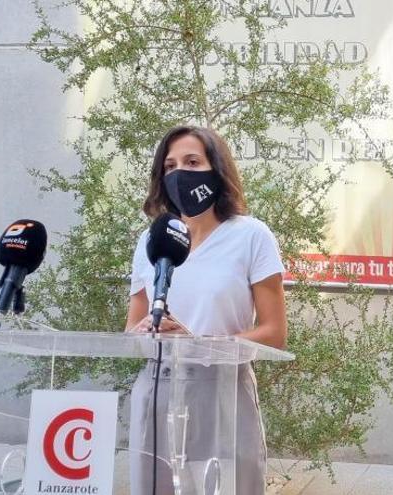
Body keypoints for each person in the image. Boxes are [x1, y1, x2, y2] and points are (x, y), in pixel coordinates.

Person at [125, 125, 287, 495]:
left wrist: (197, 343)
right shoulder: (150, 240)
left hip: (223, 389)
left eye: (192, 161)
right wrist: (141, 333)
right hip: (157, 388)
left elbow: (274, 333)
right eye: (169, 166)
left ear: (216, 168)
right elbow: (131, 328)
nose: (179, 172)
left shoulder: (251, 236)